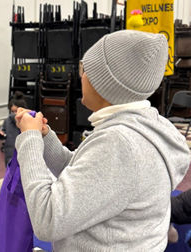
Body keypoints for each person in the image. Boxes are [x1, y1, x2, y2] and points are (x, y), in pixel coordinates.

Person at [14, 30, 191, 251]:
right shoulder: (151, 128)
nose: (81, 76)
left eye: (84, 69)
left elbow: (47, 219)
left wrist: (29, 140)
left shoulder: (118, 144)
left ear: (104, 84)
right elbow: (86, 176)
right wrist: (45, 137)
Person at [0, 91, 27, 165]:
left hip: (24, 156)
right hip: (10, 154)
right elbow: (3, 132)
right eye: (12, 111)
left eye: (16, 111)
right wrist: (1, 134)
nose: (14, 114)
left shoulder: (28, 122)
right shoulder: (7, 121)